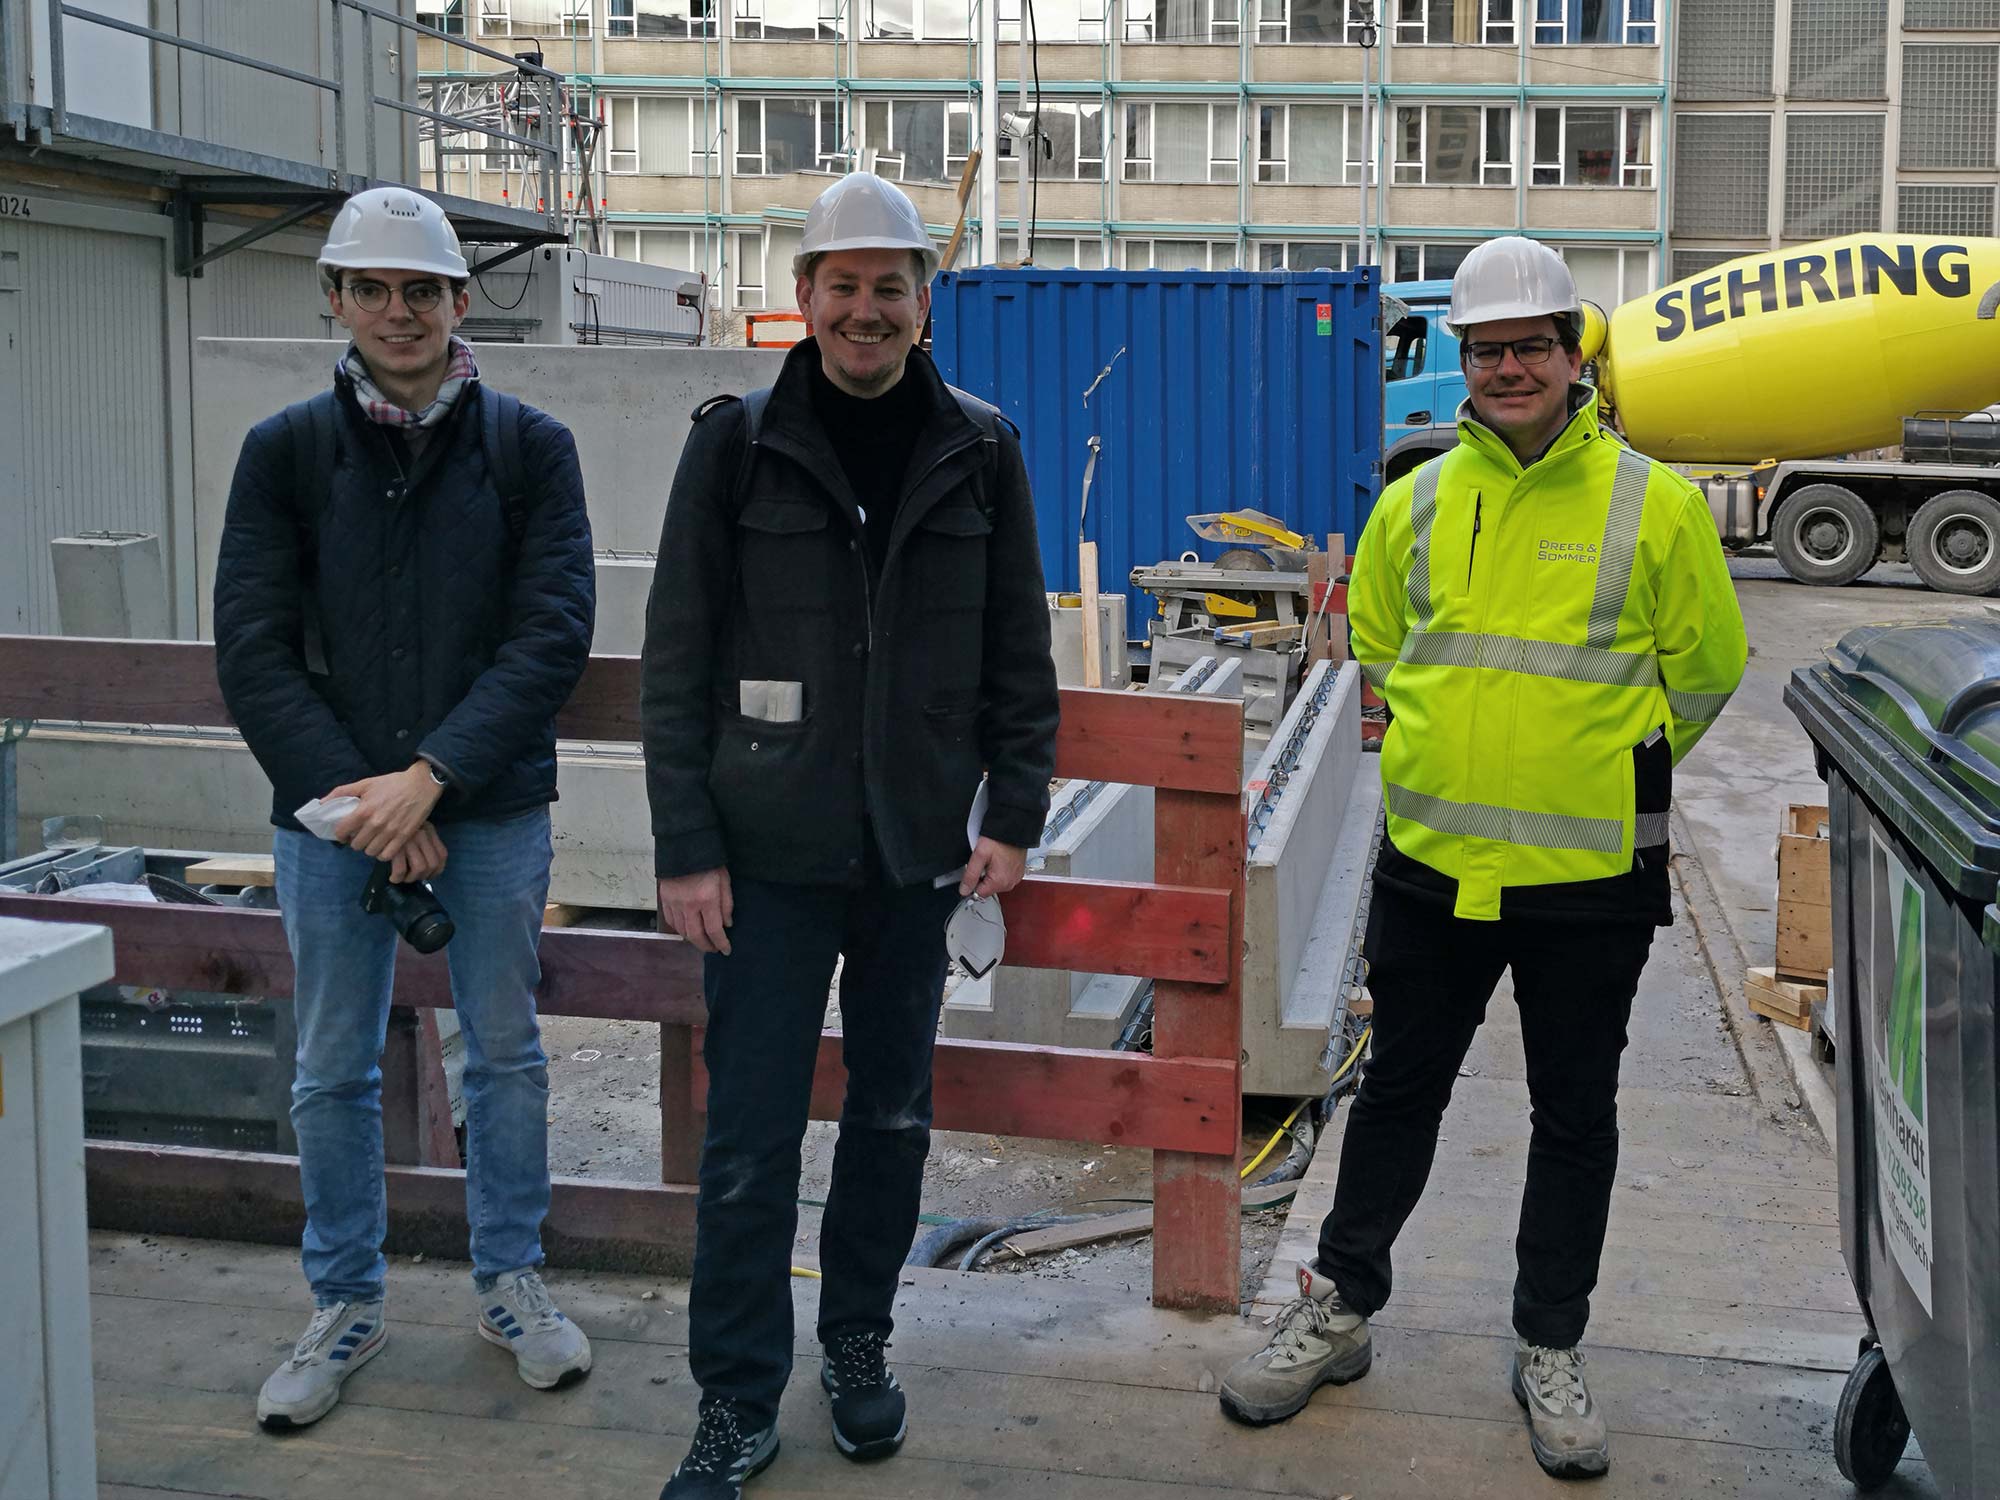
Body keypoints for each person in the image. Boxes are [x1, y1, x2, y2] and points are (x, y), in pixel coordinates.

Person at [1218, 236, 1747, 1480]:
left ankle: (1547, 1344)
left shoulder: (1652, 506)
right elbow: (1389, 653)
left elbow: (1707, 669)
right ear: (1461, 359)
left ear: (1573, 357)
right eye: (1485, 349)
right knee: (1397, 1093)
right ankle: (1340, 1305)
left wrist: (1598, 763)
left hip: (1587, 880)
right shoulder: (1411, 504)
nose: (1507, 368)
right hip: (1433, 866)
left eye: (1529, 347)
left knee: (1574, 1116)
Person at [641, 171, 1060, 1499]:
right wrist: (684, 844)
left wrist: (1014, 810)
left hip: (915, 851)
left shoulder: (980, 446)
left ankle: (861, 1343)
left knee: (889, 1118)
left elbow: (1019, 647)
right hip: (763, 856)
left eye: (891, 285)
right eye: (844, 284)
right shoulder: (737, 443)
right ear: (804, 298)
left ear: (924, 304)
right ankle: (736, 1399)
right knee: (750, 1136)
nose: (866, 308)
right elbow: (678, 654)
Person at [213, 187, 597, 1431]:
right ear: (334, 297)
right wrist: (359, 800)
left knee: (505, 1056)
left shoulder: (529, 448)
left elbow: (551, 635)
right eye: (371, 289)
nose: (396, 310)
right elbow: (253, 648)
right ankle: (343, 1303)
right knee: (331, 1066)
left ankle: (511, 1283)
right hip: (332, 819)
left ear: (457, 301)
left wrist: (430, 778)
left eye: (419, 289)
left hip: (482, 810)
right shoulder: (284, 453)